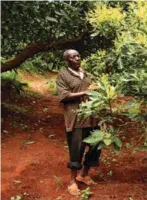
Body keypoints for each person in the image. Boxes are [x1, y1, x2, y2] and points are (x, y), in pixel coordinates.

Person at [56, 49, 101, 196]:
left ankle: (84, 174)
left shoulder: (86, 73)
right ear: (67, 60)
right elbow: (64, 95)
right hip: (76, 118)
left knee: (96, 145)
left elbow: (96, 89)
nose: (77, 58)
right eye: (73, 57)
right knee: (77, 149)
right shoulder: (63, 75)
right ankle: (72, 181)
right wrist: (84, 93)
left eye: (78, 55)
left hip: (92, 116)